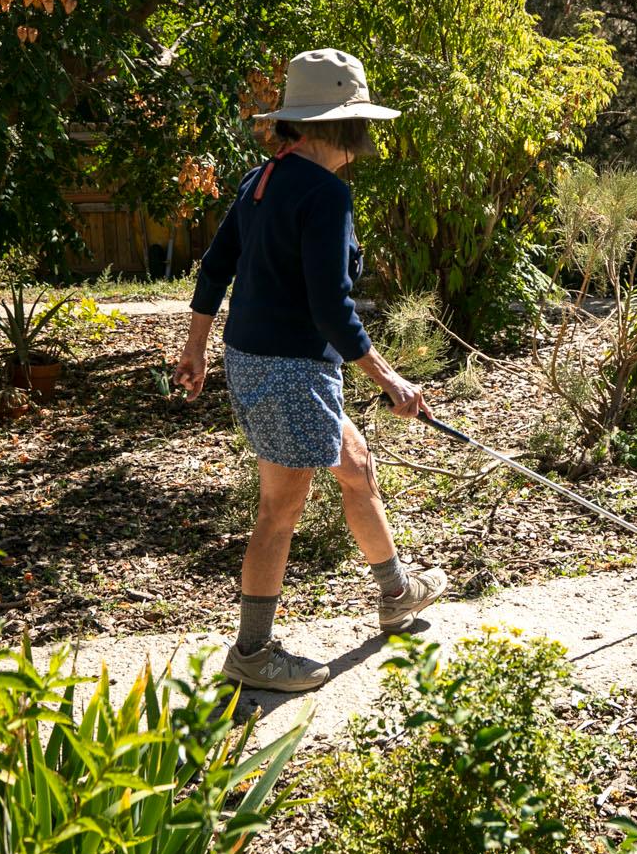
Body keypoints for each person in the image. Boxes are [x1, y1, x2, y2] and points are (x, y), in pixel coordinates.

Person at [173, 48, 448, 692]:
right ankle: (252, 653)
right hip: (289, 370)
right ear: (343, 124)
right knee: (280, 510)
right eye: (362, 119)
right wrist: (390, 379)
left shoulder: (263, 179)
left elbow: (216, 268)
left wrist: (196, 348)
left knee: (356, 468)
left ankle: (396, 594)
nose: (368, 133)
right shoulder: (325, 193)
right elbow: (333, 308)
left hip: (266, 363)